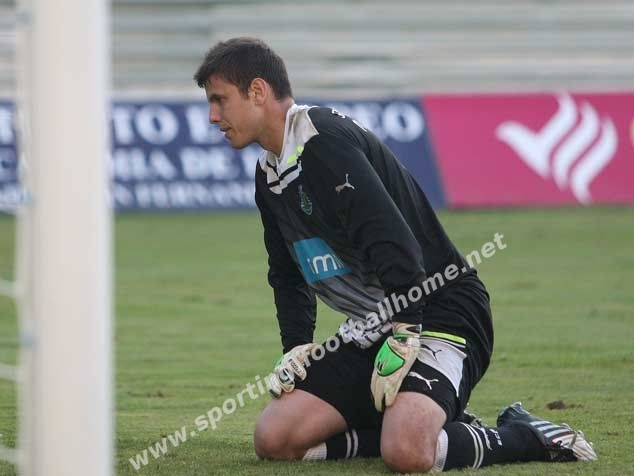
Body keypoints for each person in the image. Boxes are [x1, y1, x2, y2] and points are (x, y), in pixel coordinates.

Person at [193, 37, 596, 473]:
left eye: (220, 100)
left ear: (257, 91)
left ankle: (527, 436)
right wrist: (297, 346)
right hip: (373, 324)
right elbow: (287, 272)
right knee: (275, 439)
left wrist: (405, 331)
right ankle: (435, 426)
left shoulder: (322, 140)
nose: (213, 116)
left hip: (439, 311)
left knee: (407, 453)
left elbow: (390, 237)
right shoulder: (269, 173)